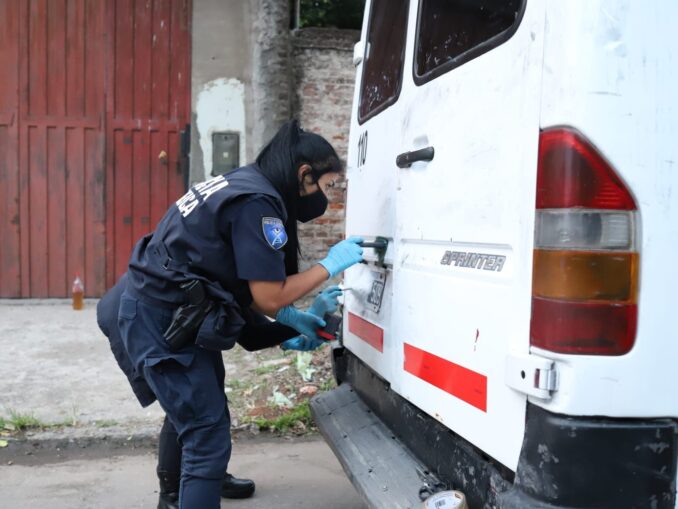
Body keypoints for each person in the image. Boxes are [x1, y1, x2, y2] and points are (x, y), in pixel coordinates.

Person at [96, 120, 363, 509]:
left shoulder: (246, 182)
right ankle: (181, 494)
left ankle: (179, 493)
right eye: (327, 187)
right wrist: (328, 265)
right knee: (205, 431)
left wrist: (290, 323)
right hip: (161, 317)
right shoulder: (260, 203)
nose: (328, 198)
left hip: (166, 306)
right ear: (304, 174)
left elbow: (239, 282)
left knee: (193, 404)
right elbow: (269, 297)